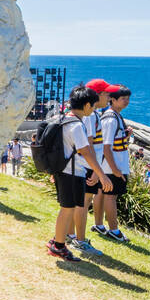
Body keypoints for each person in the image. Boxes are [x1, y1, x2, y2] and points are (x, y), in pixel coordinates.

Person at [47, 85, 112, 262]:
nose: (93, 109)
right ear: (86, 105)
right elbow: (86, 151)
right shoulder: (76, 125)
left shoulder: (64, 119)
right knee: (67, 209)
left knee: (67, 208)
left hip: (64, 170)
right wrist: (101, 174)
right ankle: (58, 246)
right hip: (72, 172)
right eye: (93, 105)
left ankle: (57, 240)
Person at [92, 84, 132, 243]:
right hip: (112, 166)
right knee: (110, 196)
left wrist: (125, 136)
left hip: (108, 165)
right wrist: (115, 169)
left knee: (101, 194)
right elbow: (106, 146)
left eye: (127, 98)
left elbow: (112, 142)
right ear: (113, 100)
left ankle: (99, 225)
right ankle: (114, 230)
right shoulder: (111, 119)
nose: (126, 101)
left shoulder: (114, 117)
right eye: (123, 98)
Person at [79, 79, 113, 245]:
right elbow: (89, 144)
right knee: (83, 203)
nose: (109, 97)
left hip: (89, 166)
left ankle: (75, 236)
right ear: (97, 95)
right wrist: (95, 170)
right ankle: (78, 238)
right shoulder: (91, 116)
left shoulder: (94, 115)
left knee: (83, 203)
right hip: (87, 166)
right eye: (106, 94)